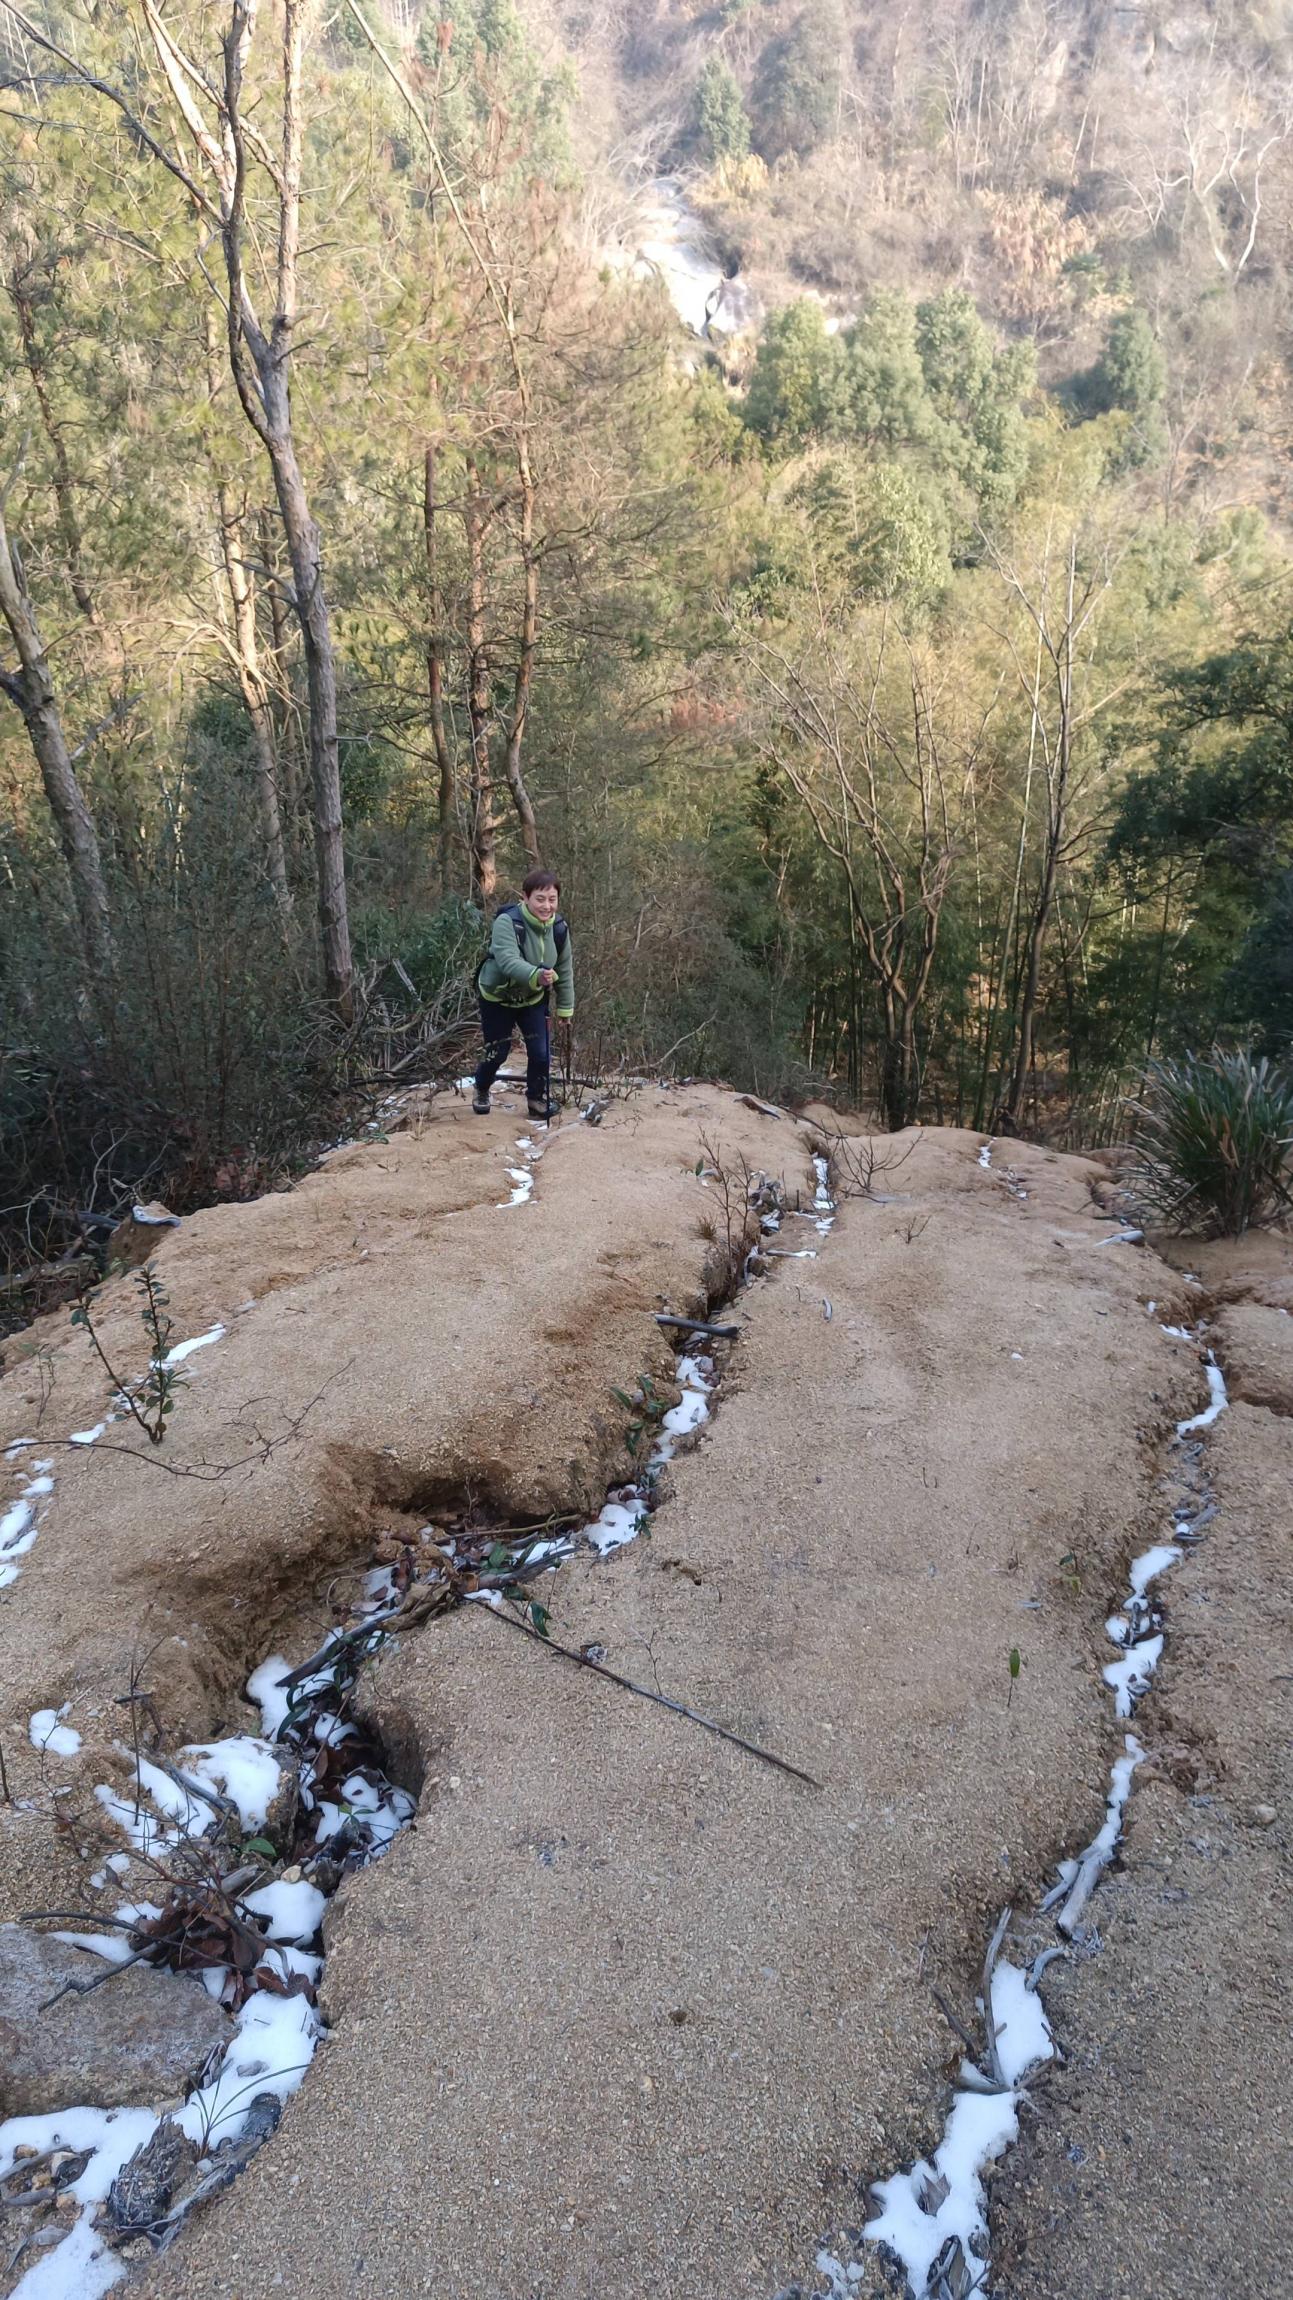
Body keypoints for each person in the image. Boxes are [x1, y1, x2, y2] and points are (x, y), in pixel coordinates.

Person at [472, 867, 574, 1121]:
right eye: (540, 899)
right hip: (498, 997)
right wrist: (536, 975)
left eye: (552, 899)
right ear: (525, 897)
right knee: (497, 1052)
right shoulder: (507, 922)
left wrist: (565, 1008)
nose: (546, 906)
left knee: (541, 1054)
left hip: (532, 999)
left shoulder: (559, 928)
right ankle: (482, 1087)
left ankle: (536, 1100)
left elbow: (564, 969)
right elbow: (508, 960)